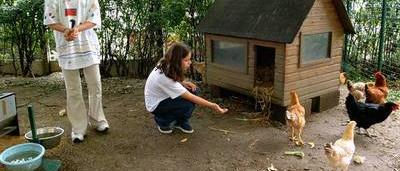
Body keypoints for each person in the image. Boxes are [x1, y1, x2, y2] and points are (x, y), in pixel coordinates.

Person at [44, 0, 109, 143]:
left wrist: (77, 29)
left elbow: (94, 18)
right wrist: (66, 30)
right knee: (73, 89)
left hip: (88, 45)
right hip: (66, 46)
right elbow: (50, 20)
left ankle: (98, 120)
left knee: (95, 84)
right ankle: (78, 128)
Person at [144, 42, 228, 134]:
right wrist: (213, 105)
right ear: (177, 60)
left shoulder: (165, 62)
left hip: (162, 97)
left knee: (195, 90)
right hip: (155, 105)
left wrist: (183, 82)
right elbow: (191, 98)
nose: (190, 62)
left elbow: (171, 76)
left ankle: (180, 121)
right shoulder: (165, 79)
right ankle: (162, 120)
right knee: (188, 102)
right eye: (187, 60)